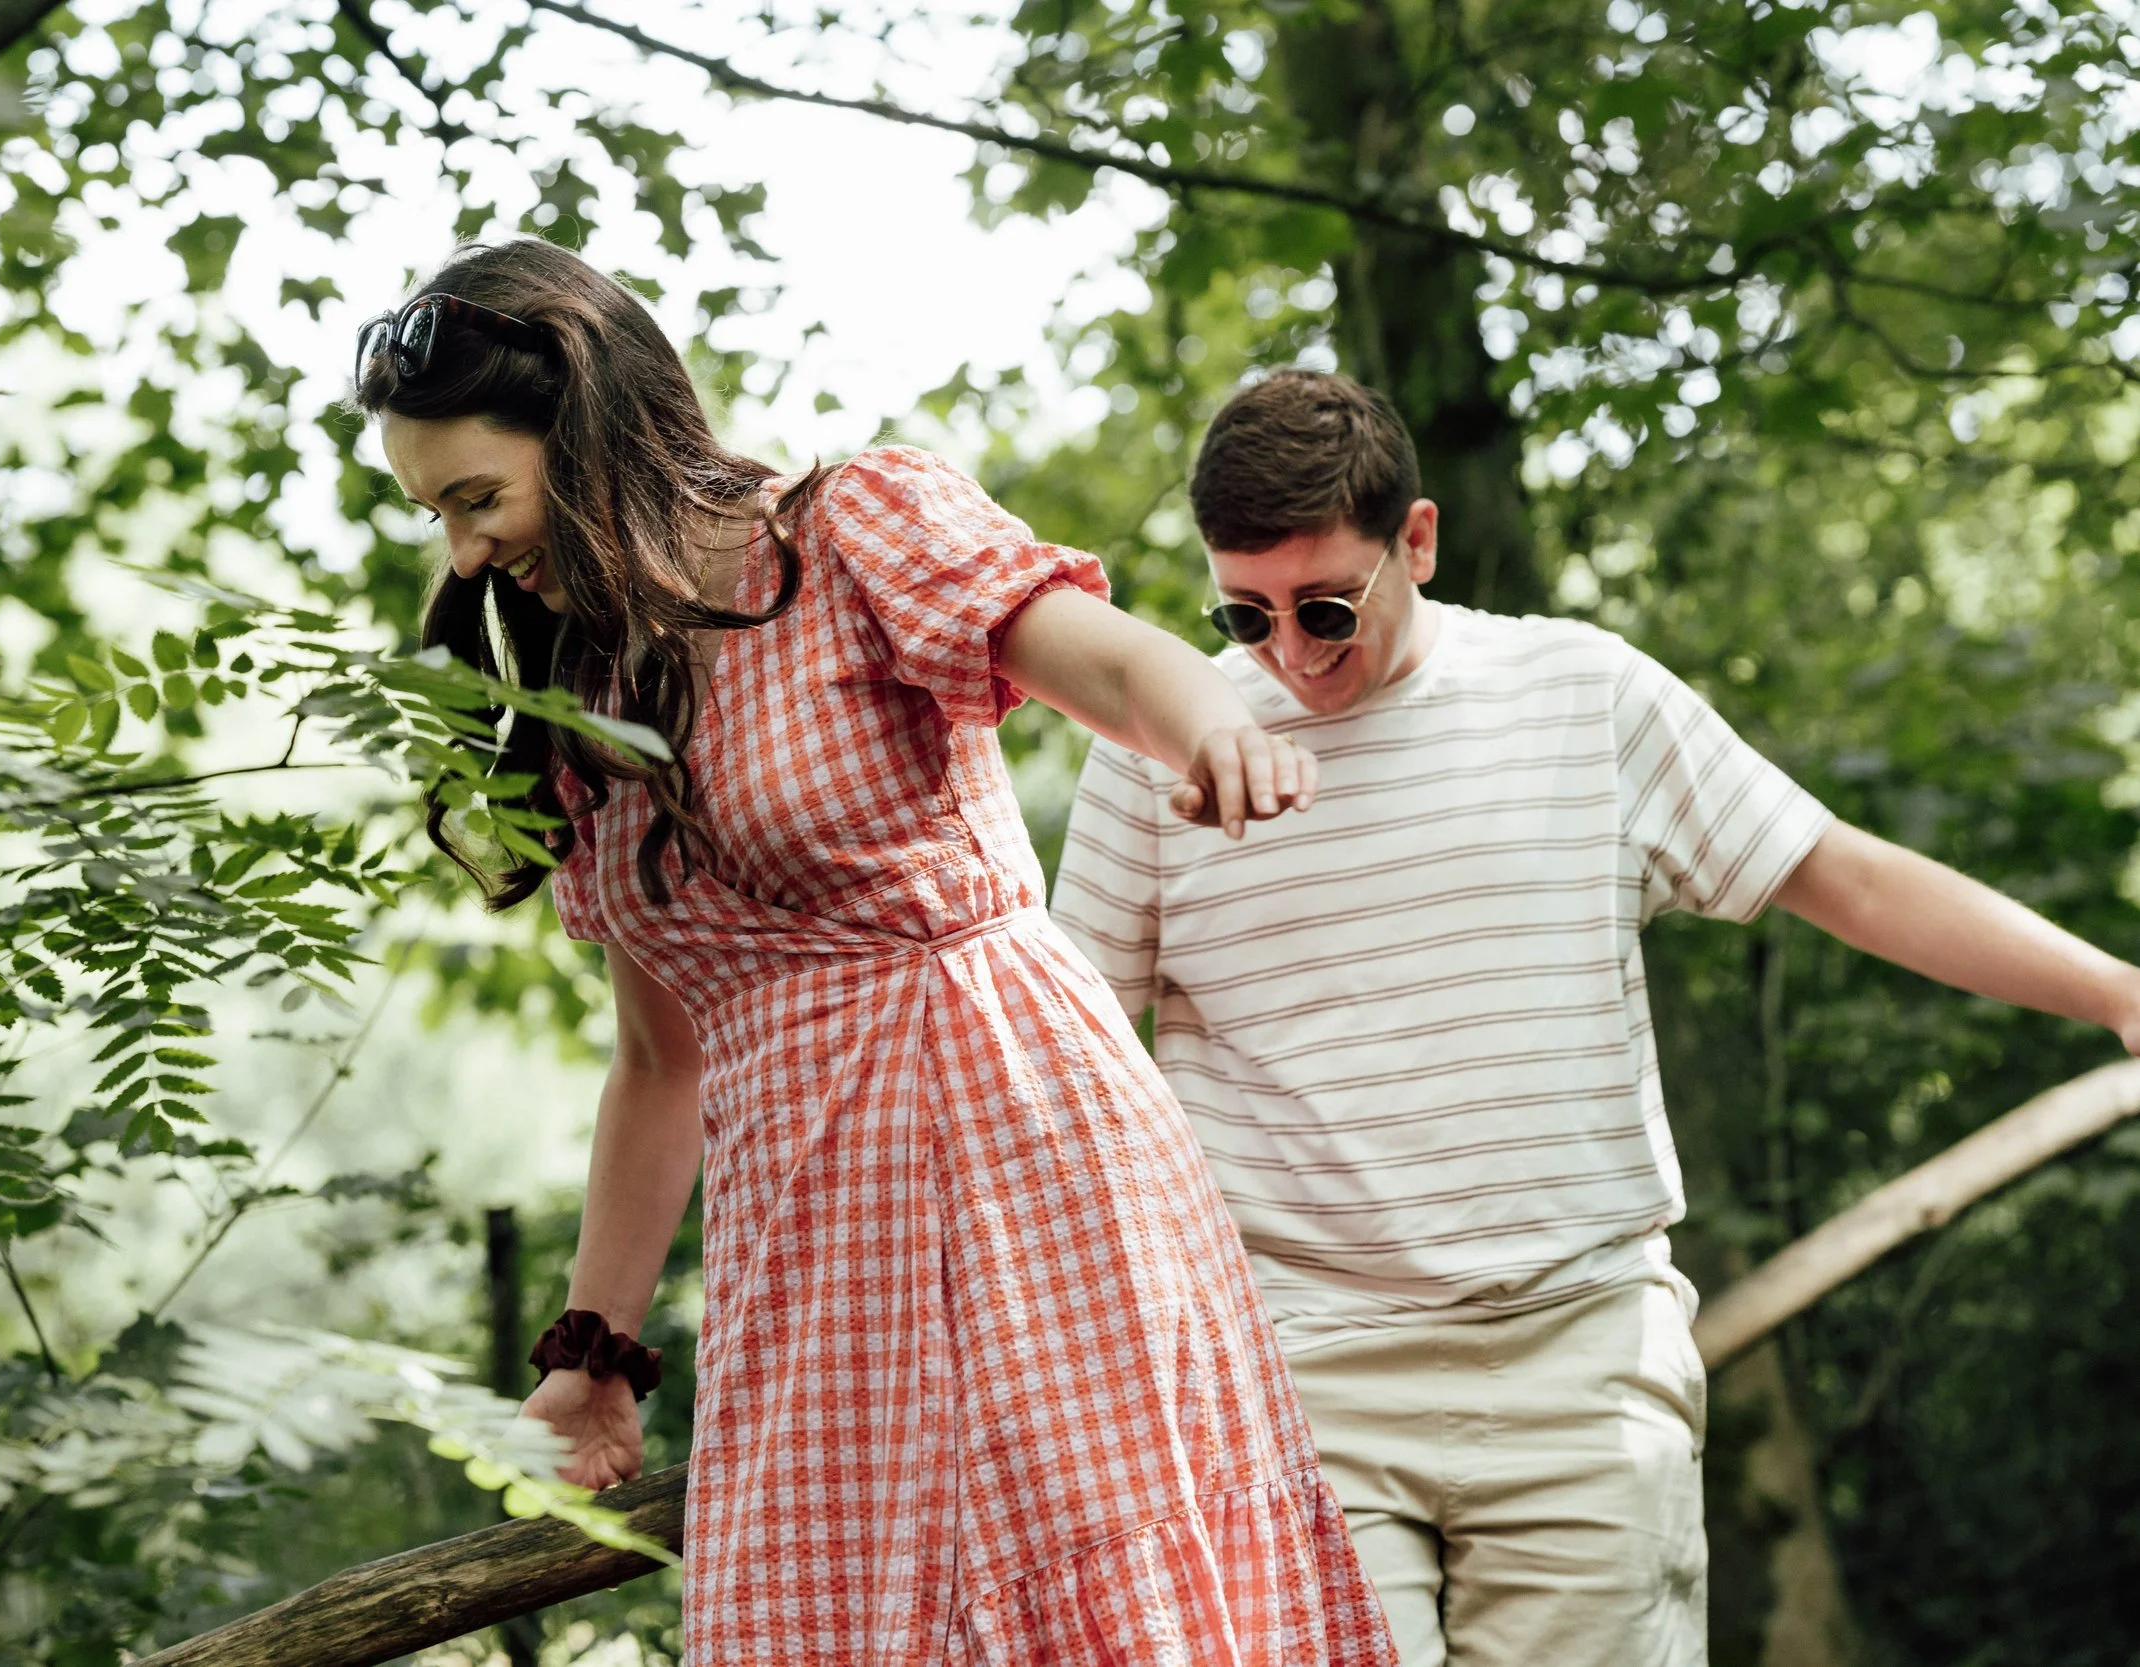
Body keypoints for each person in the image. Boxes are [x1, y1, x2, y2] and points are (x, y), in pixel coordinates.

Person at [352, 241, 1397, 1665]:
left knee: (1093, 1592)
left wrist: (1207, 722)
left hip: (1021, 1153)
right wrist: (593, 1355)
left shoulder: (846, 529)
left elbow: (1088, 651)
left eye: (478, 499)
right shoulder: (589, 696)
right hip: (809, 1224)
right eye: (439, 516)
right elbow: (661, 1061)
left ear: (588, 431)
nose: (466, 552)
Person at [1050, 369, 2140, 1667]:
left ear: (1420, 541)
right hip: (1298, 1375)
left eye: (1328, 605)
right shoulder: (1150, 750)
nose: (1290, 652)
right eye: (1246, 614)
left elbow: (1839, 872)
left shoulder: (1583, 696)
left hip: (1578, 1376)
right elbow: (1070, 1060)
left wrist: (2121, 992)